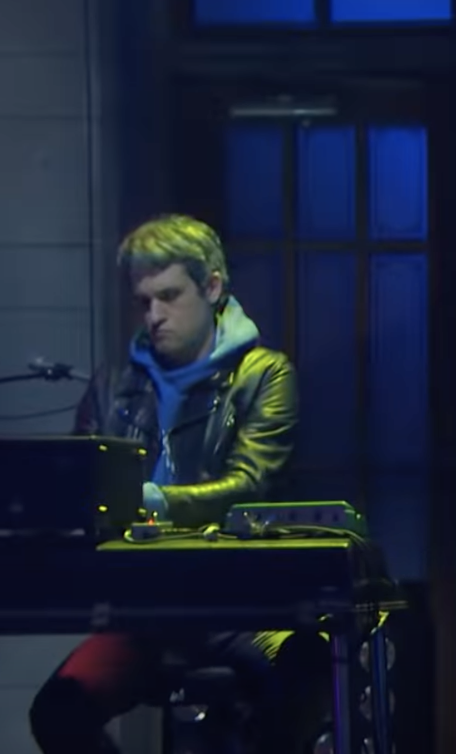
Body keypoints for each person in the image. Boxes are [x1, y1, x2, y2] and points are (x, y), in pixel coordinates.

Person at [28, 214, 321, 754]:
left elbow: (250, 483)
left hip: (241, 605)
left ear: (212, 287)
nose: (154, 316)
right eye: (143, 302)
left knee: (303, 670)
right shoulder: (113, 383)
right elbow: (78, 486)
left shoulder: (264, 375)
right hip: (143, 611)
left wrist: (153, 501)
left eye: (168, 296)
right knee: (58, 713)